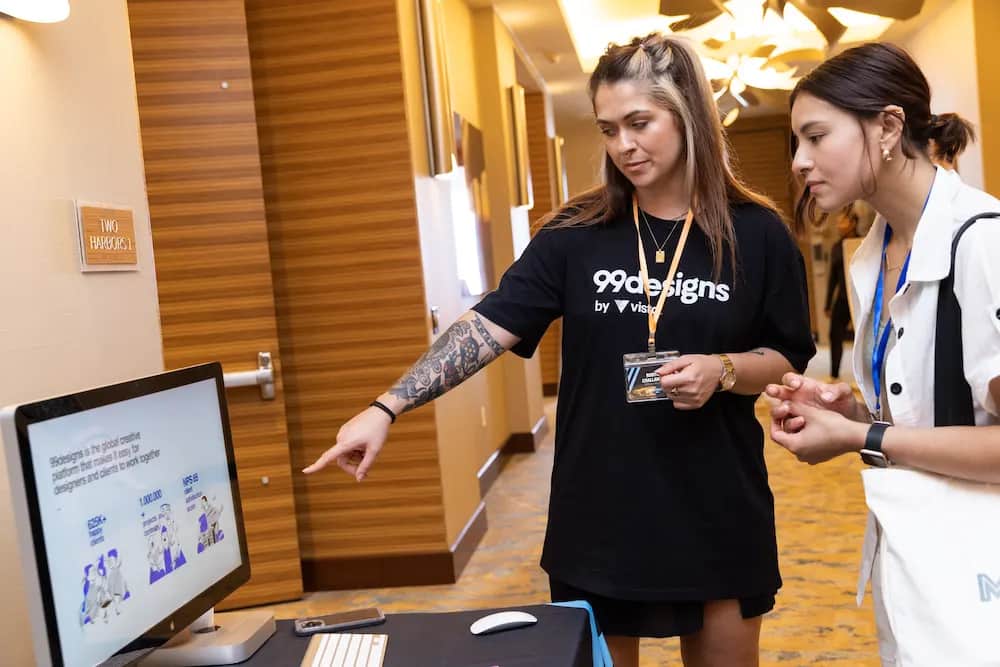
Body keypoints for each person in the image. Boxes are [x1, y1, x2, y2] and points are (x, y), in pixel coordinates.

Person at [305, 33, 814, 667]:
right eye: (607, 129)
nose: (622, 145)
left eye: (639, 123)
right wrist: (386, 406)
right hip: (599, 510)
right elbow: (488, 325)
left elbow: (787, 356)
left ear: (686, 115)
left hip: (716, 505)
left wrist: (724, 369)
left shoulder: (758, 234)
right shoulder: (575, 234)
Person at [767, 42, 1000, 665]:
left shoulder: (983, 246)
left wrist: (861, 438)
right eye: (796, 143)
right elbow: (935, 412)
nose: (800, 162)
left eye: (816, 137)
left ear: (889, 126)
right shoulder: (874, 254)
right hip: (918, 550)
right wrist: (852, 408)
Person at [824, 204, 859, 379]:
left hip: (861, 298)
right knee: (834, 335)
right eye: (838, 222)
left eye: (843, 221)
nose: (839, 224)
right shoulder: (837, 247)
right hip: (843, 299)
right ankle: (834, 374)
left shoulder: (863, 243)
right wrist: (828, 303)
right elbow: (833, 278)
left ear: (853, 223)